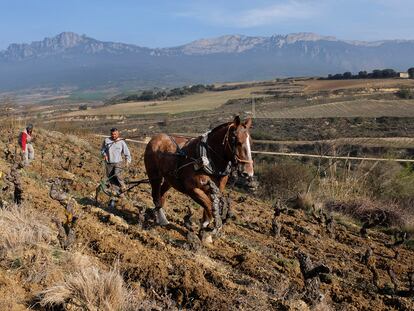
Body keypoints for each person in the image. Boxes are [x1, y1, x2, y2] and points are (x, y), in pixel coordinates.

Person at [101, 128, 131, 193]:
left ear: (118, 134)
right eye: (112, 134)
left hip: (118, 162)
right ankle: (118, 191)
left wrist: (127, 162)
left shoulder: (121, 142)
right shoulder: (106, 141)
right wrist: (104, 154)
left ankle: (123, 186)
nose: (113, 135)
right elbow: (103, 150)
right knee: (110, 178)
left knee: (117, 174)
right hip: (109, 162)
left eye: (115, 134)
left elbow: (127, 153)